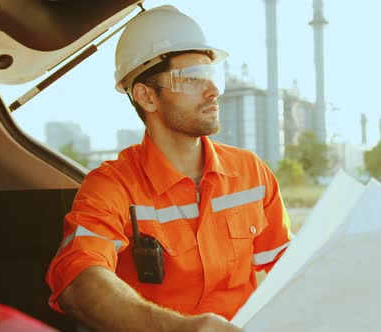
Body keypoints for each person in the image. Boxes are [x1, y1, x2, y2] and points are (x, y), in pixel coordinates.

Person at [45, 5, 292, 332]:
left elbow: (293, 270)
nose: (213, 90)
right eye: (192, 78)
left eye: (212, 75)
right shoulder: (111, 186)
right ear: (146, 96)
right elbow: (79, 280)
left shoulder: (251, 173)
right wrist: (180, 329)